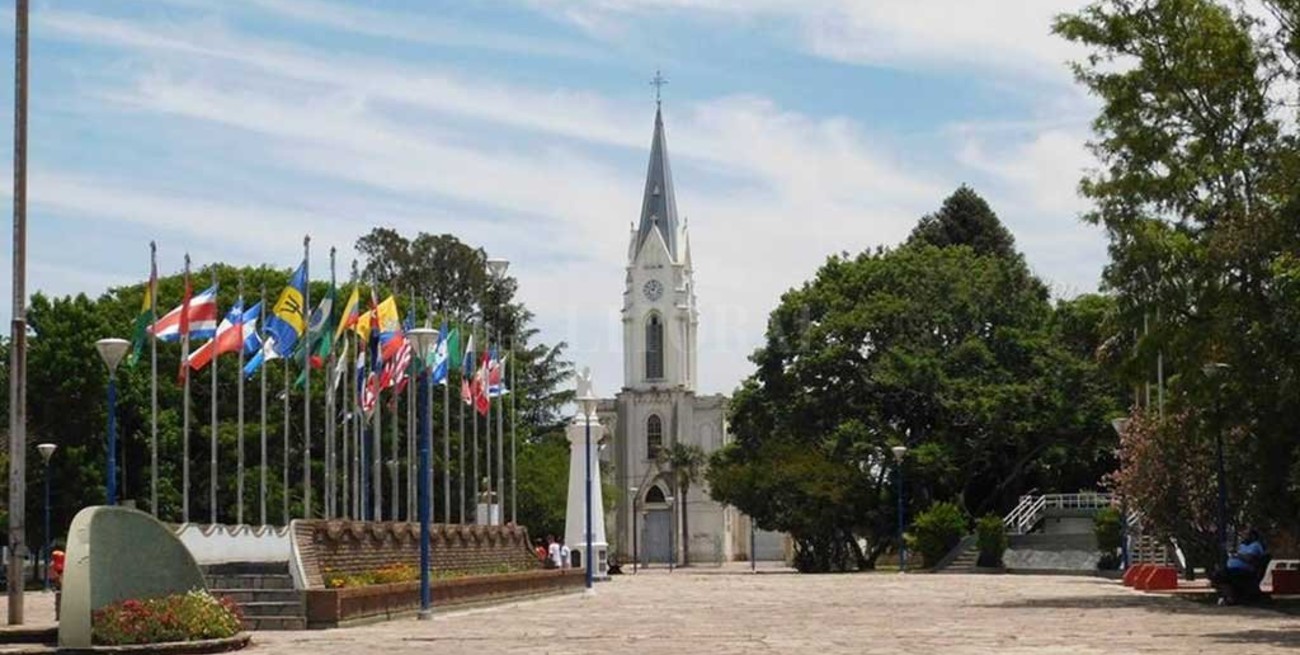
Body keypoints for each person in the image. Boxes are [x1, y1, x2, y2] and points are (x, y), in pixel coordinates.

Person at [1214, 528, 1269, 605]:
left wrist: (1236, 555)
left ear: (1252, 536)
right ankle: (1228, 596)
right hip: (1233, 570)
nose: (1243, 536)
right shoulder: (1242, 546)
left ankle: (1230, 598)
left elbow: (1249, 558)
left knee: (1222, 575)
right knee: (1218, 575)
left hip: (1245, 571)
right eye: (1243, 534)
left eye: (1246, 535)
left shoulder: (1256, 545)